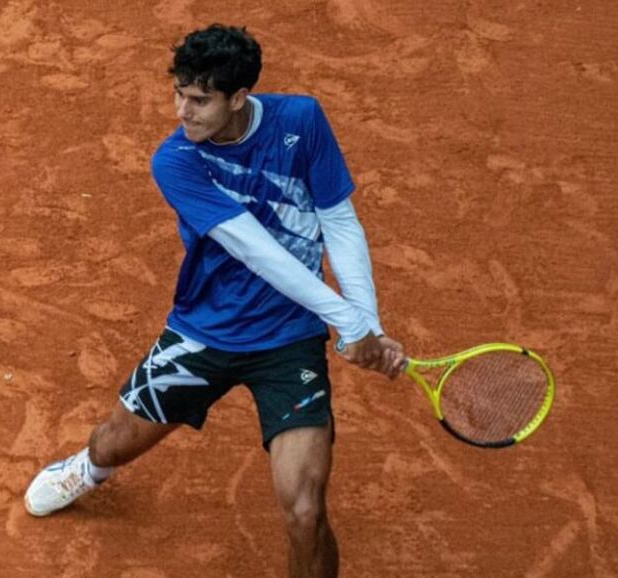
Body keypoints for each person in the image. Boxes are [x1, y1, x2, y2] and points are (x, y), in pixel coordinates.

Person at [24, 24, 405, 578]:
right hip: (204, 331)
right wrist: (349, 323)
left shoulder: (302, 121)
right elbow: (259, 253)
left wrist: (365, 321)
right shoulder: (176, 161)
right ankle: (86, 470)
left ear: (238, 99)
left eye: (199, 99)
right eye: (179, 92)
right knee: (112, 443)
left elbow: (339, 221)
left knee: (305, 511)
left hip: (289, 343)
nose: (183, 110)